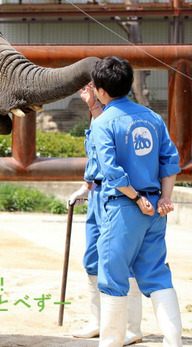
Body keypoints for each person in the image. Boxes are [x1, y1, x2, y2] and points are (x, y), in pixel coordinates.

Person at [89, 56, 182, 347]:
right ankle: (174, 341)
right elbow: (170, 160)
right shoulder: (152, 117)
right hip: (156, 209)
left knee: (113, 276)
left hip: (124, 207)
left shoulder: (103, 122)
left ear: (101, 91)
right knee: (157, 274)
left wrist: (137, 197)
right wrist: (164, 197)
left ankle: (111, 342)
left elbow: (111, 170)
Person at [68, 82, 143, 346]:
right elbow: (97, 155)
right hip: (98, 194)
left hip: (120, 196)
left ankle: (131, 327)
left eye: (94, 88)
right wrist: (86, 186)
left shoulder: (126, 117)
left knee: (122, 260)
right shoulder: (99, 115)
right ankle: (98, 321)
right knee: (92, 258)